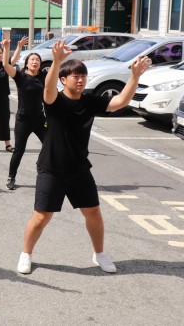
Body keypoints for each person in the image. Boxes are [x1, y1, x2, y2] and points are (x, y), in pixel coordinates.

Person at [17, 40, 151, 275]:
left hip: (79, 168)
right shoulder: (55, 101)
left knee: (94, 213)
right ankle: (26, 254)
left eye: (83, 76)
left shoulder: (90, 101)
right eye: (75, 76)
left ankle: (99, 254)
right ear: (63, 80)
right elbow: (48, 90)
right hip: (52, 168)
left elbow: (120, 102)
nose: (80, 80)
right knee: (41, 216)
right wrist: (57, 61)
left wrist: (134, 77)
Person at [1, 37, 47, 190]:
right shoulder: (20, 76)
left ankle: (47, 171)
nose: (35, 62)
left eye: (38, 60)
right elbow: (6, 65)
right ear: (27, 63)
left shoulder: (43, 77)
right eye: (32, 59)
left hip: (40, 119)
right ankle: (11, 177)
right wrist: (9, 48)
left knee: (50, 146)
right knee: (19, 151)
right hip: (23, 120)